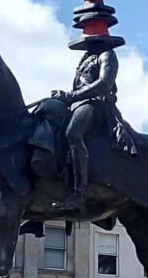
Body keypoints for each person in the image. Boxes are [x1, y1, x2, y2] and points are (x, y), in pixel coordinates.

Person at [51, 40, 140, 213]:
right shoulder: (86, 58)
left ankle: (79, 193)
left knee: (73, 134)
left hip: (97, 105)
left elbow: (104, 84)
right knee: (50, 125)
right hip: (77, 104)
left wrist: (71, 95)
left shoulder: (108, 55)